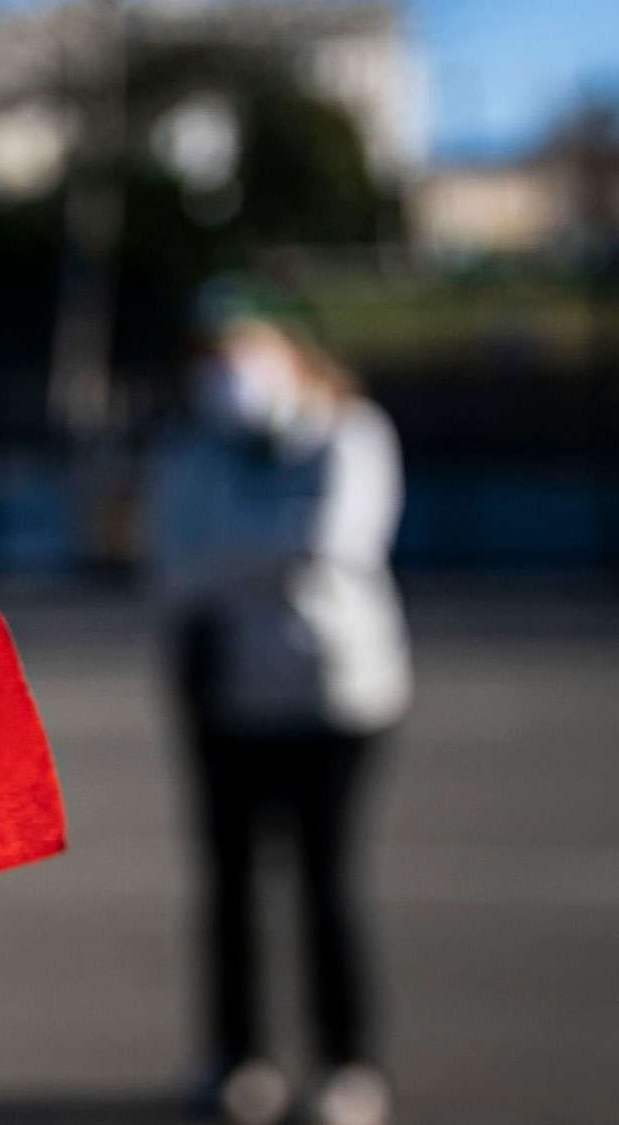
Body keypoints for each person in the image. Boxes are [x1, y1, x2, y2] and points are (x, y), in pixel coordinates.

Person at [147, 298, 410, 1125]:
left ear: (290, 350)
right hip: (221, 692)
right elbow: (168, 565)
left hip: (335, 695)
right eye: (210, 357)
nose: (224, 374)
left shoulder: (350, 432)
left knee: (324, 882)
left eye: (241, 351)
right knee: (228, 888)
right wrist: (260, 549)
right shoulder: (189, 449)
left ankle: (348, 1061)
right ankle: (239, 1055)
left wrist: (224, 553)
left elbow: (333, 542)